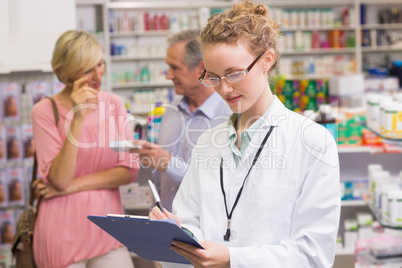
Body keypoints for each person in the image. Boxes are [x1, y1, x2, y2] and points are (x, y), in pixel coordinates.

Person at [149, 1, 341, 267]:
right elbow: (193, 227)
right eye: (214, 77)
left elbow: (314, 254)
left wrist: (232, 258)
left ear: (266, 60)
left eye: (234, 74)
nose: (225, 89)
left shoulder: (313, 142)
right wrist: (178, 234)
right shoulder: (207, 144)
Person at [31, 30, 139, 268]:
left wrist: (71, 187)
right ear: (65, 72)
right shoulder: (45, 110)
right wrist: (77, 118)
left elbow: (128, 171)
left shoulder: (114, 104)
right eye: (87, 68)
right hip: (61, 232)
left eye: (99, 64)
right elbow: (59, 179)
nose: (97, 74)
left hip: (108, 228)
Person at [131, 29, 231, 211]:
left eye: (175, 67)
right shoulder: (171, 112)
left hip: (204, 234)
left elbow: (224, 187)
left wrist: (169, 164)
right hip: (167, 228)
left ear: (202, 69)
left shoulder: (228, 117)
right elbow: (160, 181)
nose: (168, 75)